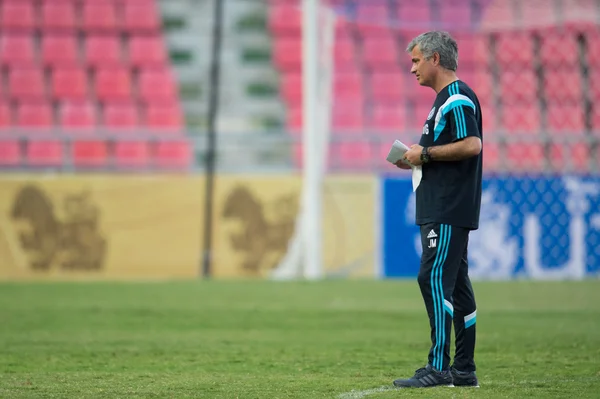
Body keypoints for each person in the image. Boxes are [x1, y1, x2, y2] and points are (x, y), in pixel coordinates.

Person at [392, 31, 483, 388]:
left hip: (447, 208)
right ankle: (463, 369)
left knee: (432, 279)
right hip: (443, 205)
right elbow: (451, 149)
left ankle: (439, 367)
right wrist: (415, 158)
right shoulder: (444, 100)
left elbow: (471, 144)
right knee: (456, 286)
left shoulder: (456, 98)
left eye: (416, 60)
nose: (412, 68)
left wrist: (425, 154)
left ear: (434, 59)